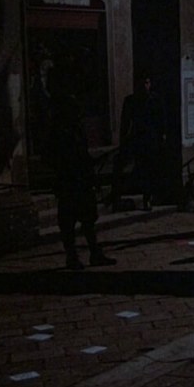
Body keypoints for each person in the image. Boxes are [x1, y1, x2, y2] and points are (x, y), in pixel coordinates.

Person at [44, 61, 116, 270]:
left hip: (81, 179)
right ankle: (72, 256)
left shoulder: (75, 130)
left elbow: (81, 154)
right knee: (68, 221)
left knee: (88, 219)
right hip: (69, 181)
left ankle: (94, 253)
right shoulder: (60, 130)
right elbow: (56, 156)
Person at [112, 73, 166, 211]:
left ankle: (147, 198)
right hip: (136, 138)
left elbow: (161, 121)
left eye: (147, 83)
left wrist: (161, 137)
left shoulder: (155, 100)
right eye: (142, 83)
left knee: (149, 169)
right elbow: (125, 123)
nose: (145, 86)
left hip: (150, 139)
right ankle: (116, 196)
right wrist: (123, 140)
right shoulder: (130, 101)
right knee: (122, 165)